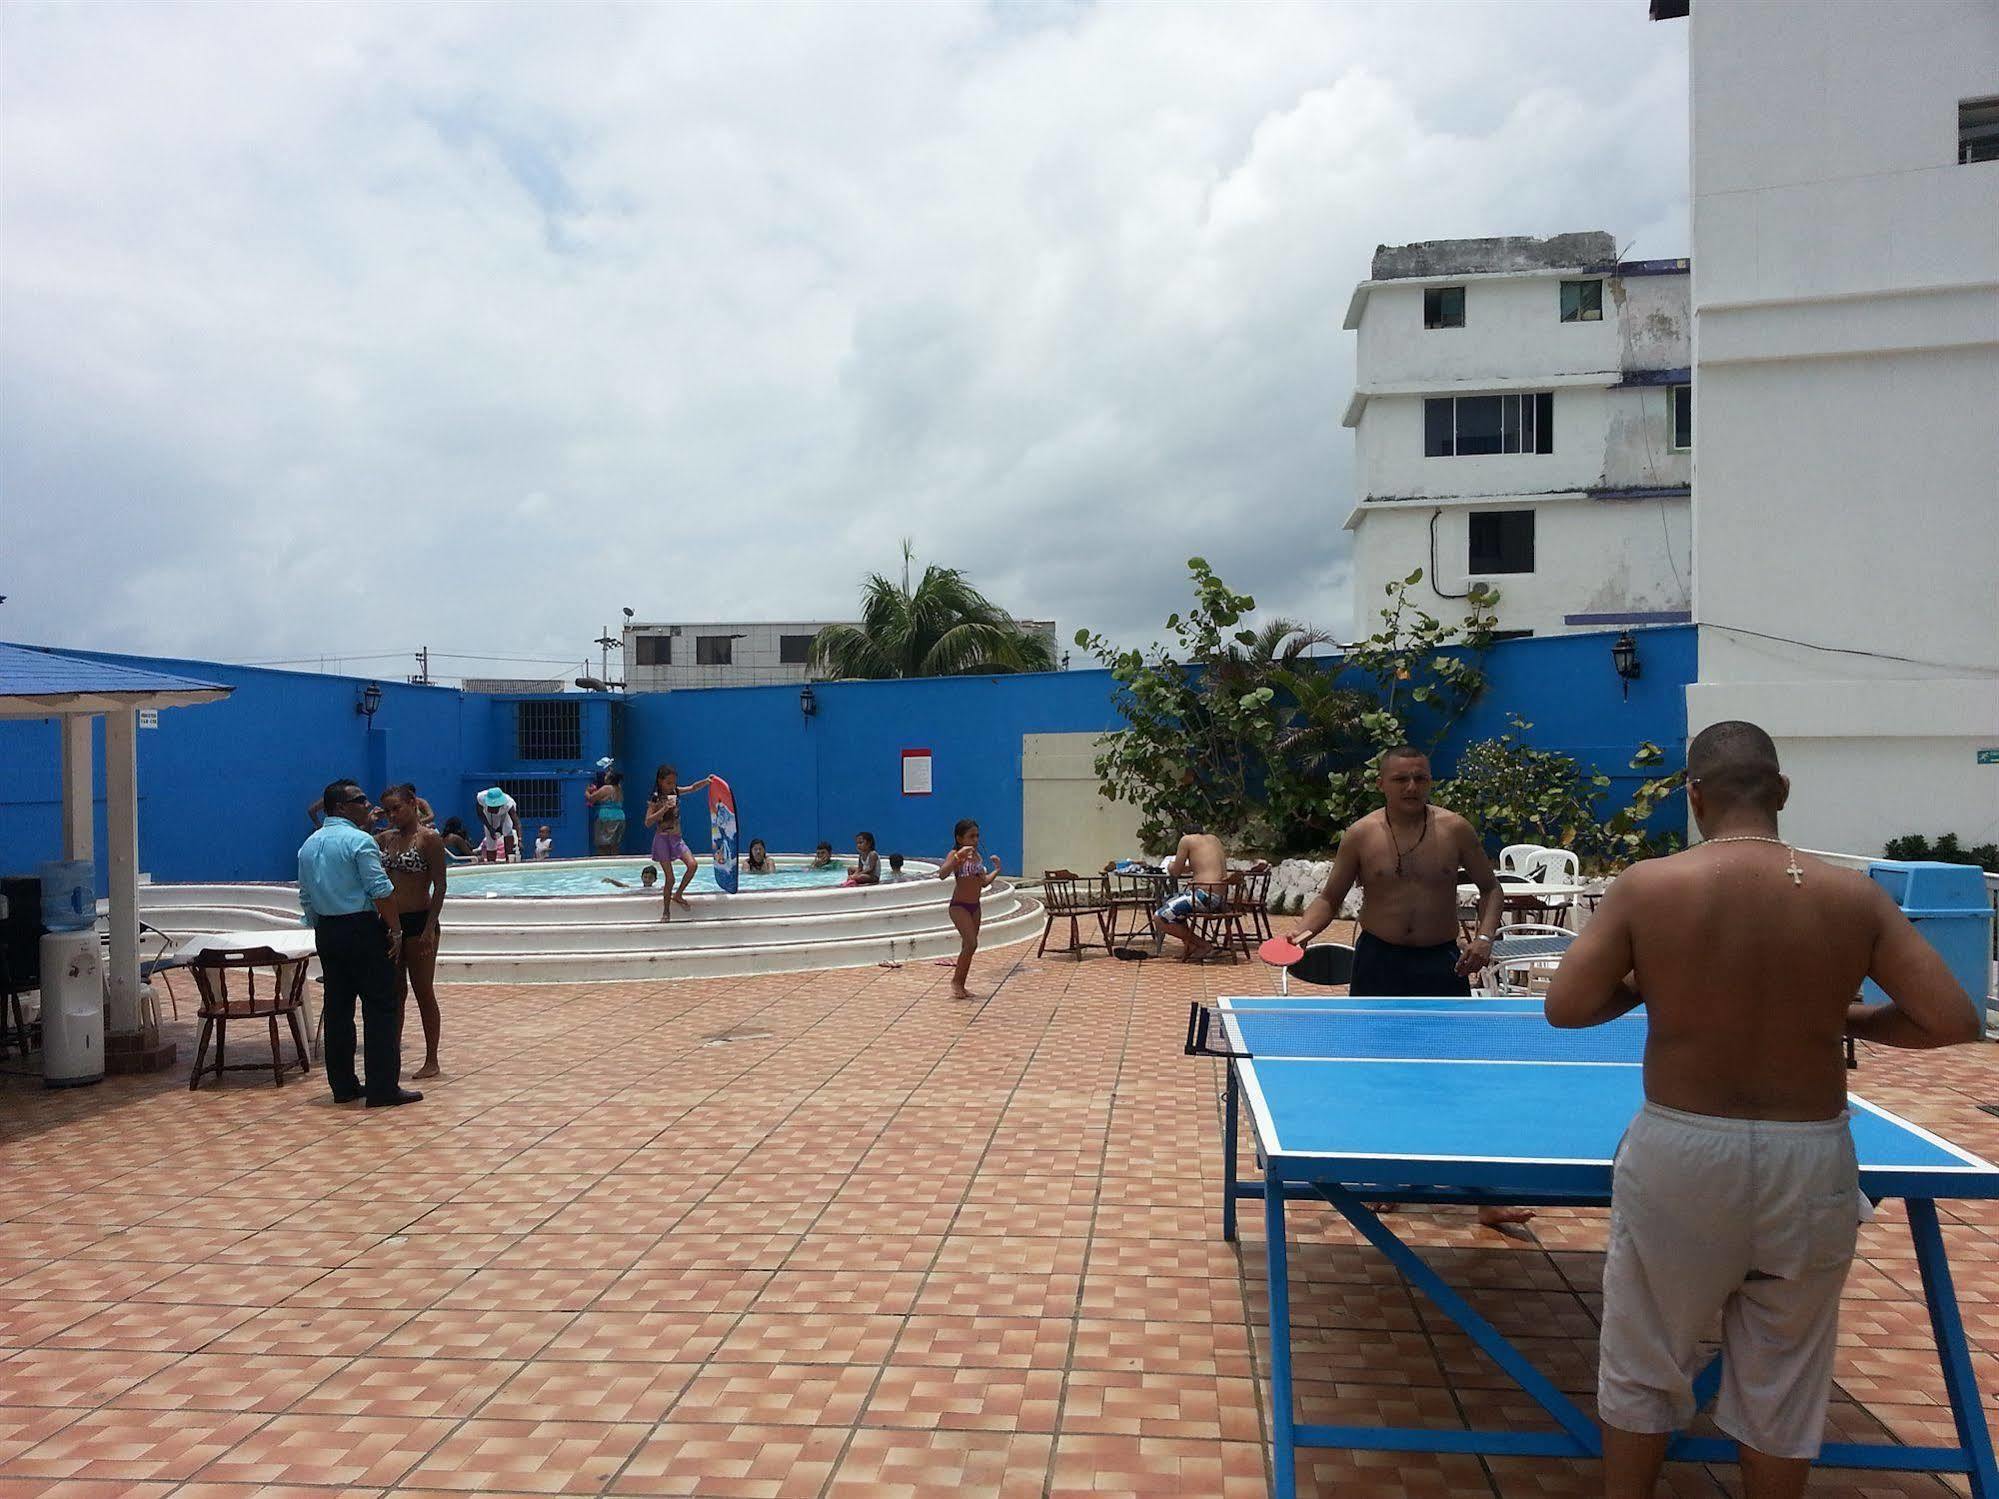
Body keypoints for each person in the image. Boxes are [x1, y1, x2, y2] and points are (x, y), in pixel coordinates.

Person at [1545, 721, 1979, 1498]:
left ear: (1693, 795)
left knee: (1645, 1356)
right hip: (1807, 1155)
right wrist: (1842, 1017)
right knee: (1785, 1373)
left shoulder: (1649, 886)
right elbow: (1951, 1018)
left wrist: (1662, 987)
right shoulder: (1852, 896)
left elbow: (1566, 1006)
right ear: (1780, 792)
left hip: (1681, 1149)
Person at [1286, 744, 1517, 1227]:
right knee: (1378, 1077)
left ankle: (1484, 1195)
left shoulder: (1454, 829)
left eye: (1421, 778)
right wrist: (1304, 931)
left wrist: (1485, 938)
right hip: (1379, 962)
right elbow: (1330, 897)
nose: (1412, 787)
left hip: (1441, 964)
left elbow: (1492, 890)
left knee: (1455, 1078)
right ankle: (1385, 1179)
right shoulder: (1361, 834)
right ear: (1382, 784)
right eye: (1402, 780)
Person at [297, 779, 420, 1108]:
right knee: (380, 1008)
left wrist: (321, 925)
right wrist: (395, 931)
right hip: (361, 929)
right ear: (340, 807)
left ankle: (344, 1086)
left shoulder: (308, 846)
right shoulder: (359, 841)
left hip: (328, 931)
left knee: (338, 1010)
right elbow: (380, 890)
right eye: (360, 800)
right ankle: (382, 1087)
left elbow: (306, 897)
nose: (368, 805)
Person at [376, 785, 446, 1082]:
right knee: (394, 993)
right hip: (391, 923)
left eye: (397, 808)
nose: (392, 815)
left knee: (422, 990)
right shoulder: (384, 840)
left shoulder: (429, 840)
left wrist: (430, 927)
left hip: (419, 922)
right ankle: (392, 1056)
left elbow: (440, 886)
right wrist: (370, 819)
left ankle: (432, 1059)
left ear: (412, 804)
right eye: (388, 810)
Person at [938, 819, 1001, 1000]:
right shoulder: (955, 854)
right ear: (959, 838)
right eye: (971, 836)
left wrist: (997, 869)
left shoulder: (978, 857)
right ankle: (956, 982)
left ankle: (961, 985)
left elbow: (983, 883)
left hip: (975, 907)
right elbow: (942, 874)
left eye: (977, 836)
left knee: (968, 946)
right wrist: (959, 856)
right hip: (959, 907)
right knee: (972, 943)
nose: (975, 840)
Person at [645, 765, 714, 918]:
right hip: (662, 840)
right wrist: (662, 809)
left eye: (674, 782)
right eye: (668, 783)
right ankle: (666, 911)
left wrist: (706, 781)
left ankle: (678, 894)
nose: (672, 786)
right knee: (670, 878)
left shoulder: (675, 792)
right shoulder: (655, 798)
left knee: (692, 865)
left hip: (676, 838)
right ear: (660, 781)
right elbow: (647, 822)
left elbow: (691, 788)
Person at [1155, 829, 1232, 962]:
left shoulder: (1187, 840)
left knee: (1159, 918)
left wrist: (1170, 865)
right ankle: (1190, 946)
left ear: (1185, 833)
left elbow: (1175, 872)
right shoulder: (1214, 839)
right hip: (1220, 898)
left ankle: (1203, 945)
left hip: (1204, 896)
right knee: (1172, 901)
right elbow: (1203, 866)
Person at [475, 786, 522, 861]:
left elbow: (516, 822)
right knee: (490, 840)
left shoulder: (508, 804)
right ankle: (491, 864)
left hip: (505, 814)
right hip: (489, 816)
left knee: (508, 830)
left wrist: (519, 839)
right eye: (491, 806)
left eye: (495, 807)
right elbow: (480, 814)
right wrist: (489, 828)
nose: (493, 809)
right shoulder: (481, 798)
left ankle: (509, 859)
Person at [587, 770, 626, 856]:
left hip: (606, 818)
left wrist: (586, 791)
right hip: (620, 818)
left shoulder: (606, 788)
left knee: (602, 845)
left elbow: (591, 798)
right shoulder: (619, 788)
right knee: (614, 845)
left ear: (609, 779)